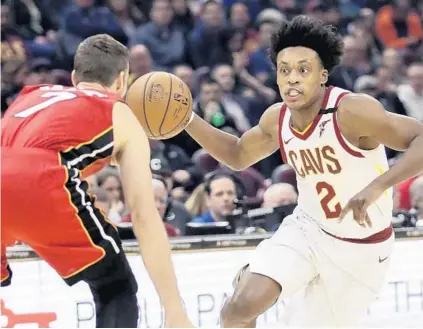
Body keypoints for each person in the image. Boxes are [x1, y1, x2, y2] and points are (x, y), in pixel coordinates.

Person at [185, 16, 423, 327]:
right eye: (284, 70)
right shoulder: (277, 118)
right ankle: (253, 278)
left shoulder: (351, 111)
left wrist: (379, 185)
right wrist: (187, 120)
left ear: (323, 75)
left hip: (362, 250)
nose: (292, 78)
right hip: (307, 229)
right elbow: (237, 154)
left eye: (303, 69)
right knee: (237, 310)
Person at [1, 34, 193, 328]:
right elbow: (143, 216)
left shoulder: (32, 94)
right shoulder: (120, 112)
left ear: (75, 77)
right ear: (122, 80)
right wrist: (174, 309)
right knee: (115, 288)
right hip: (40, 177)